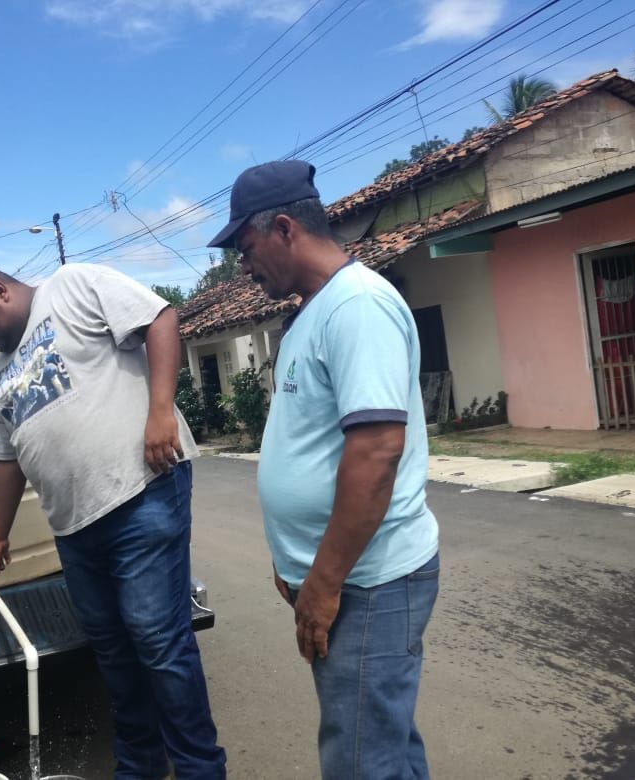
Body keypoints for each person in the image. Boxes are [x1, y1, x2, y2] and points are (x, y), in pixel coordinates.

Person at [0, 259, 226, 780]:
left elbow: (160, 318)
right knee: (112, 653)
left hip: (142, 493)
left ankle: (201, 768)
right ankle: (139, 766)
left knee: (158, 641)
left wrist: (160, 409)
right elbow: (8, 457)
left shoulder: (73, 285)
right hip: (73, 529)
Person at [208, 160, 440, 779]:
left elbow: (376, 452)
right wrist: (297, 563)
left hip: (369, 580)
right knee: (381, 745)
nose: (244, 267)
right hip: (340, 578)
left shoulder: (357, 307)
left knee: (362, 760)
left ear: (284, 228)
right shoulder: (316, 309)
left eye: (247, 249)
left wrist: (325, 582)